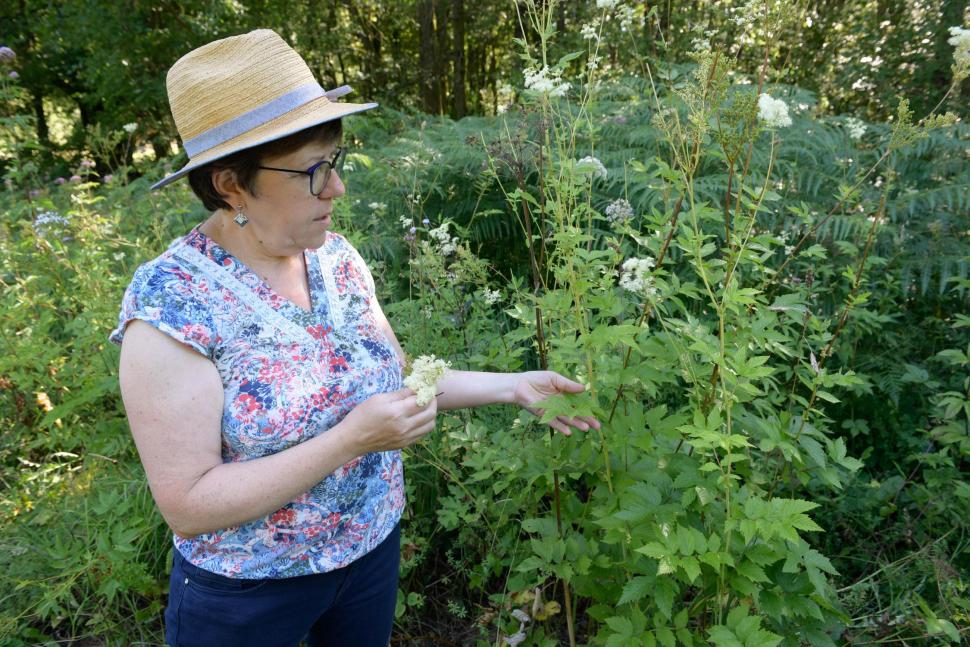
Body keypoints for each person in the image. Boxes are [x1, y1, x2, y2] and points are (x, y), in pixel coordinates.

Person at [110, 29, 600, 647]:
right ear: (231, 184)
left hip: (369, 552)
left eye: (335, 162)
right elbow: (188, 502)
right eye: (314, 171)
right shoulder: (172, 304)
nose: (337, 188)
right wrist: (350, 441)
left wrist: (514, 386)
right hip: (249, 595)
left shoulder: (335, 257)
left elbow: (396, 381)